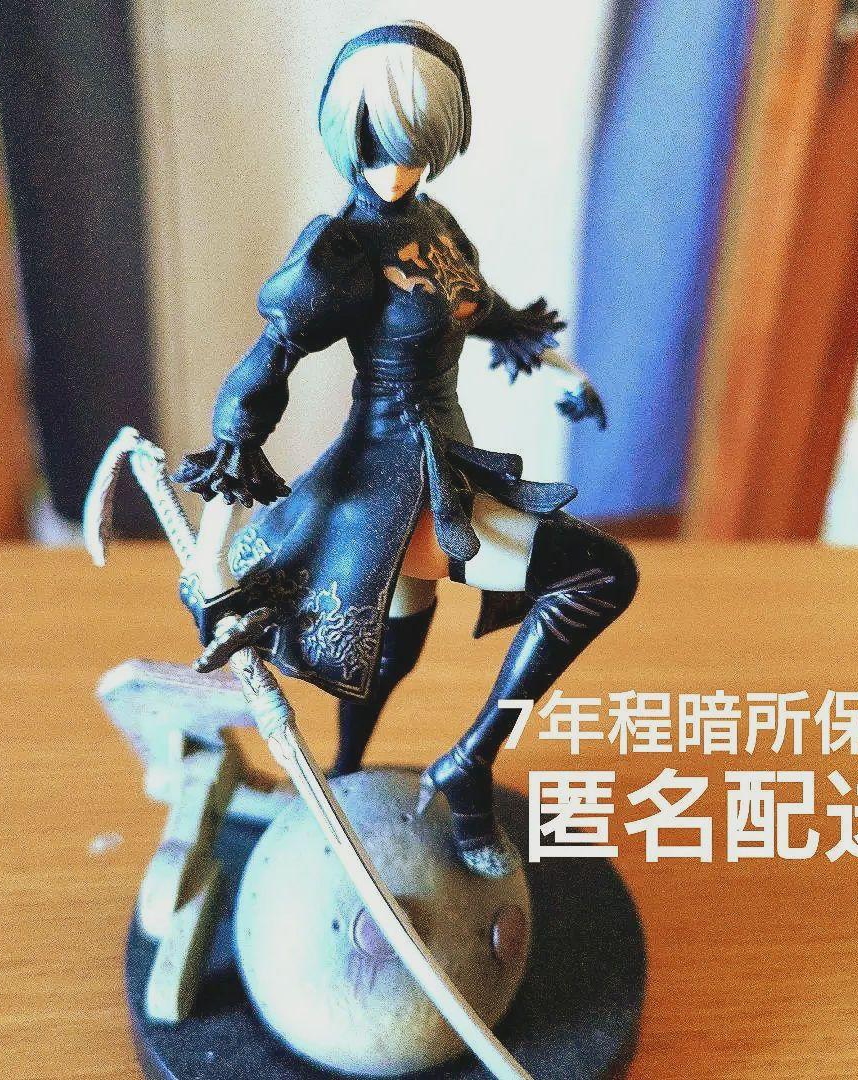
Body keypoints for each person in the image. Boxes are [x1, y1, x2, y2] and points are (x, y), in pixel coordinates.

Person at [175, 22, 638, 877]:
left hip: (449, 465)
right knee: (600, 575)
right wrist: (211, 555)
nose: (397, 170)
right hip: (395, 484)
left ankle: (347, 775)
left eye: (416, 149)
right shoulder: (338, 252)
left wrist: (561, 371)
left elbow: (485, 311)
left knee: (391, 656)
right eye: (378, 147)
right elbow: (260, 377)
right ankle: (467, 765)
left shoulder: (438, 224)